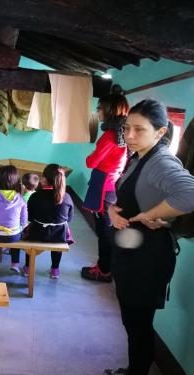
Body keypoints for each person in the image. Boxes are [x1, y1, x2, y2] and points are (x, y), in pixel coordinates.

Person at [104, 99, 194, 375]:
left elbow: (189, 194)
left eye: (139, 130)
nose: (129, 136)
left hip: (147, 261)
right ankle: (134, 369)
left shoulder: (161, 161)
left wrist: (148, 215)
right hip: (132, 255)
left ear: (160, 131)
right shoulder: (139, 156)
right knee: (133, 323)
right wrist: (111, 211)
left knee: (138, 325)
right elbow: (120, 193)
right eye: (127, 128)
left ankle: (137, 372)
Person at [82, 94, 130, 283]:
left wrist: (92, 156)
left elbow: (91, 162)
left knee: (104, 233)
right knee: (105, 231)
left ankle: (103, 271)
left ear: (110, 111)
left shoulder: (110, 136)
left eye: (100, 107)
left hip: (103, 187)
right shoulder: (120, 133)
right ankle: (104, 267)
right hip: (110, 185)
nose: (97, 111)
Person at [23, 164, 74, 278]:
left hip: (37, 233)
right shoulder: (66, 196)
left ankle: (27, 268)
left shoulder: (35, 196)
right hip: (59, 235)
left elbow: (30, 218)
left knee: (29, 235)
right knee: (59, 233)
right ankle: (55, 270)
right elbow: (69, 219)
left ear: (45, 179)